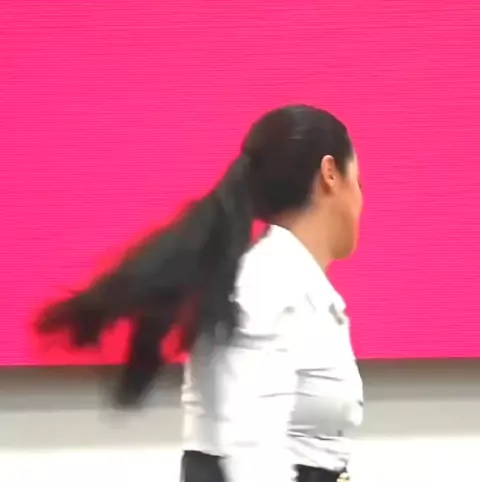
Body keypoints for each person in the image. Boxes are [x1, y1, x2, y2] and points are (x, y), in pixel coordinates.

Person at [37, 105, 364, 482]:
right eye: (358, 180)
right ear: (330, 174)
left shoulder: (291, 283)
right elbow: (251, 452)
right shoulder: (269, 285)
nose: (360, 200)